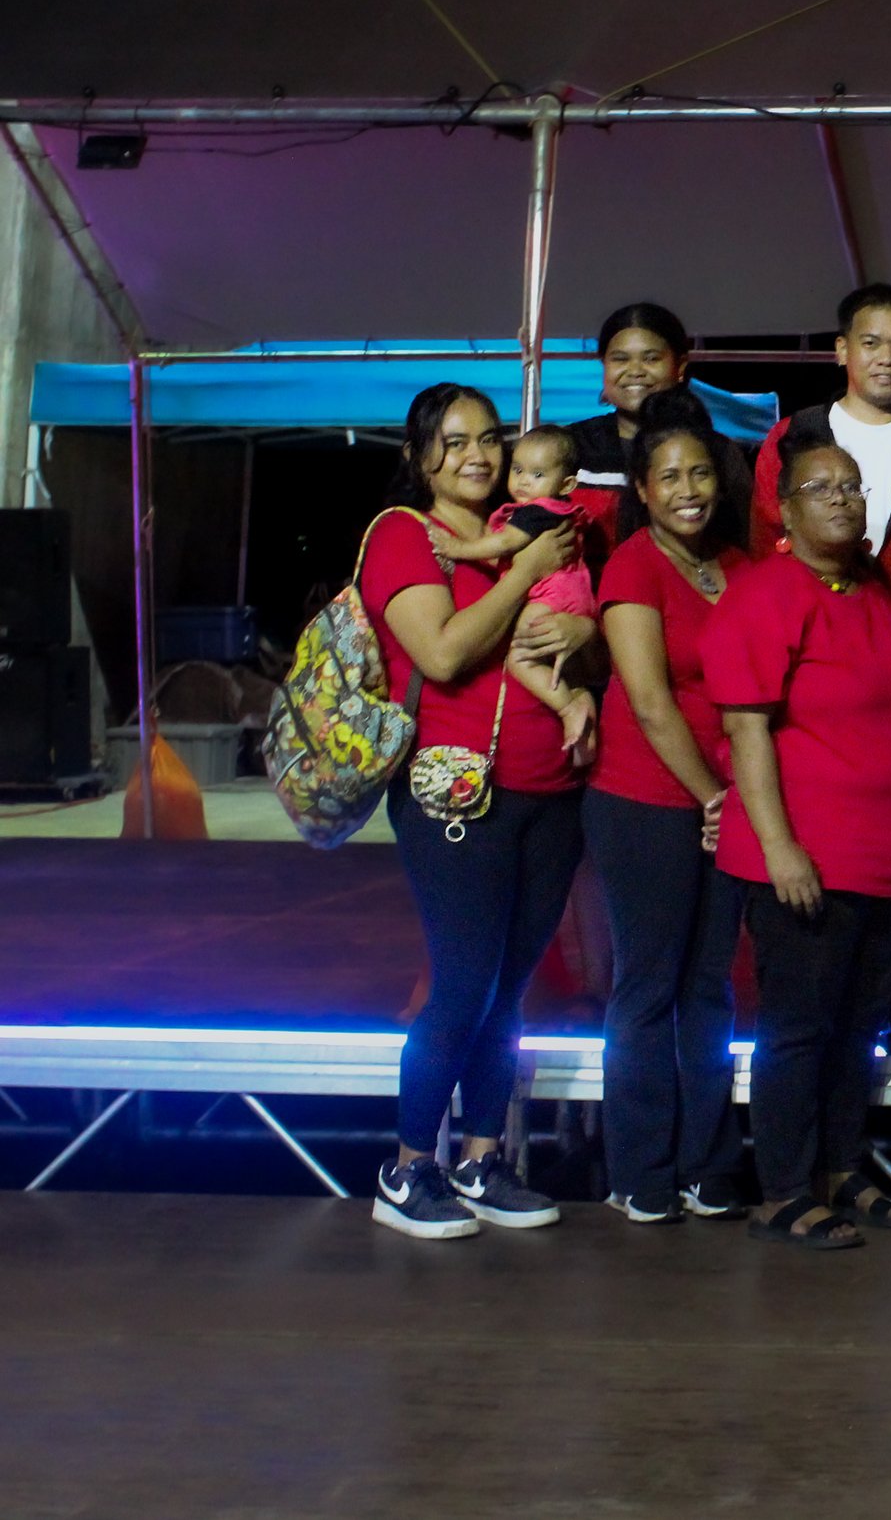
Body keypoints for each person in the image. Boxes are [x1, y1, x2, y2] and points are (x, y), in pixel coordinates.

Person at [361, 384, 594, 1240]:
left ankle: (481, 1159)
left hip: (550, 787)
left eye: (488, 438)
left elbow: (574, 618)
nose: (475, 455)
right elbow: (444, 651)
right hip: (453, 787)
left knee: (510, 988)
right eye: (453, 440)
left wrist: (582, 640)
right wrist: (523, 570)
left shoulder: (528, 523)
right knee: (464, 981)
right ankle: (407, 1167)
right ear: (419, 454)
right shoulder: (407, 534)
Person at [704, 425, 891, 1251]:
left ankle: (841, 1168)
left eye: (851, 486)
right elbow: (748, 730)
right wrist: (780, 847)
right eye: (820, 488)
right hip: (806, 858)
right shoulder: (764, 594)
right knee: (798, 1028)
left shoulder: (874, 588)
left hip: (883, 858)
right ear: (785, 509)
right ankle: (785, 1188)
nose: (841, 499)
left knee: (856, 1027)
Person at [580, 392, 752, 1225]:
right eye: (670, 477)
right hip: (644, 800)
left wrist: (741, 796)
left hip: (730, 803)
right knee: (649, 984)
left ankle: (707, 1161)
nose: (689, 490)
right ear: (642, 490)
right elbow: (650, 702)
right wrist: (715, 796)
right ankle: (640, 1166)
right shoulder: (632, 565)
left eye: (700, 473)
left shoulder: (741, 566)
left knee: (709, 987)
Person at [751, 282, 891, 593]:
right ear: (842, 350)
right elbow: (766, 536)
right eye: (871, 343)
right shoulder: (793, 435)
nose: (886, 358)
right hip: (805, 612)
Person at [428, 424, 599, 760]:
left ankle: (570, 708)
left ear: (567, 485)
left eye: (537, 474)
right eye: (518, 470)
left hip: (553, 594)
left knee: (521, 656)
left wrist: (458, 548)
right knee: (559, 665)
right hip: (568, 595)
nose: (523, 481)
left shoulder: (537, 512)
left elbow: (505, 543)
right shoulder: (552, 510)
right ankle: (583, 737)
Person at [568, 302, 698, 549]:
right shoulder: (570, 445)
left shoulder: (710, 450)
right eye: (620, 359)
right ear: (604, 365)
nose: (635, 371)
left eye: (651, 359)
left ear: (680, 366)